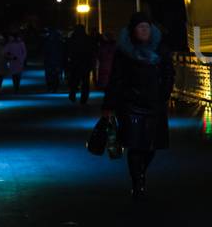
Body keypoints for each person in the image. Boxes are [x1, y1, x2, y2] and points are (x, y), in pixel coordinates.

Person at [102, 11, 173, 202]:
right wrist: (109, 105)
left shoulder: (160, 49)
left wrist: (164, 95)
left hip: (154, 104)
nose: (144, 30)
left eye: (146, 27)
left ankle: (141, 172)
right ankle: (137, 181)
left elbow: (168, 74)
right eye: (140, 27)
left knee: (151, 146)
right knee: (135, 145)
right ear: (133, 31)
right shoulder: (124, 52)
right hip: (130, 105)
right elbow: (115, 79)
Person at [65, 23, 96, 102]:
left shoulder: (72, 39)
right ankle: (84, 98)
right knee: (85, 82)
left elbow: (68, 50)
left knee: (74, 80)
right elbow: (92, 51)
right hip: (85, 63)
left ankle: (72, 95)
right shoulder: (88, 39)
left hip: (75, 63)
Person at [42, 27, 66, 93]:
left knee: (49, 74)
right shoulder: (59, 41)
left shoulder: (47, 40)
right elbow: (62, 52)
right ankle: (54, 87)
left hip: (49, 61)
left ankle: (50, 86)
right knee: (55, 75)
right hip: (56, 60)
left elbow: (44, 51)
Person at [94, 31, 116, 95]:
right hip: (111, 65)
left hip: (104, 65)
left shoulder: (103, 46)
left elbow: (99, 55)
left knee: (105, 80)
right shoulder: (115, 45)